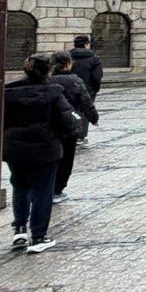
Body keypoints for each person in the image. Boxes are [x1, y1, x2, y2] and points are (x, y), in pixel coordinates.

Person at [4, 54, 82, 254]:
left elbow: (0, 121)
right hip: (45, 149)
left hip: (16, 150)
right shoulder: (54, 93)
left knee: (20, 186)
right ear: (49, 70)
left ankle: (19, 229)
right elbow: (69, 122)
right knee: (42, 192)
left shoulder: (9, 92)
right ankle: (38, 237)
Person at [48, 51, 98, 204]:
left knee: (50, 158)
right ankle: (57, 190)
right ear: (68, 64)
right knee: (66, 158)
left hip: (48, 125)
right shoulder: (74, 81)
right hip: (69, 124)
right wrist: (94, 118)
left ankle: (47, 188)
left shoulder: (45, 81)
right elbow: (86, 102)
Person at [69, 35, 103, 100]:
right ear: (86, 45)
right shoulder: (95, 59)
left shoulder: (67, 57)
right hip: (88, 91)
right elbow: (97, 77)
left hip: (70, 90)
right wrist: (95, 90)